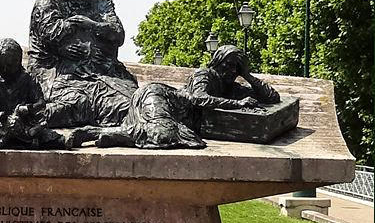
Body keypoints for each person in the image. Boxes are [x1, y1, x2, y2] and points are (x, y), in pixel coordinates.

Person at [71, 45, 281, 149]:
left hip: (173, 111)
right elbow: (199, 98)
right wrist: (238, 104)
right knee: (165, 135)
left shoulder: (232, 88)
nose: (230, 69)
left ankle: (101, 134)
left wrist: (248, 76)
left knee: (166, 135)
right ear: (217, 62)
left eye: (235, 66)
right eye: (226, 64)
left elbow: (273, 98)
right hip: (159, 96)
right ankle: (97, 134)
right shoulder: (205, 75)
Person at [28, 0, 138, 129]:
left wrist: (92, 25)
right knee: (89, 100)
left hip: (99, 71)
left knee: (129, 95)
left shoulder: (102, 4)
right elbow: (49, 35)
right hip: (58, 73)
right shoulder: (51, 1)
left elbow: (118, 34)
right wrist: (66, 41)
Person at [0, 38, 70, 150]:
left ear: (18, 61)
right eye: (0, 66)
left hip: (26, 124)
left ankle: (82, 135)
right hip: (2, 126)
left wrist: (27, 109)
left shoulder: (28, 79)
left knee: (54, 139)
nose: (5, 70)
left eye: (9, 65)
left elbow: (41, 103)